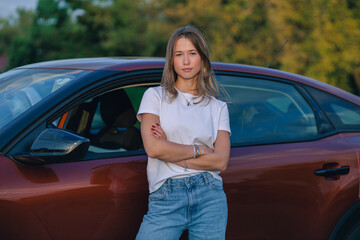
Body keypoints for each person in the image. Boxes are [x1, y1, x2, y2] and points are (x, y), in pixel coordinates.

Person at [135, 25, 231, 240]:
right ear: (171, 59)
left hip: (210, 196)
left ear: (202, 58)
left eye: (192, 53)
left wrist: (173, 154)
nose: (186, 62)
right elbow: (154, 148)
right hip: (166, 196)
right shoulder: (155, 97)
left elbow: (221, 162)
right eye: (179, 54)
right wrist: (200, 150)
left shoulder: (218, 107)